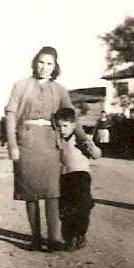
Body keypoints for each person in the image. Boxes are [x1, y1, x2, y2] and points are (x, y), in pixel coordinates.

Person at [4, 46, 87, 252]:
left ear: (55, 66)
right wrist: (12, 144)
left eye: (49, 63)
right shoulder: (20, 85)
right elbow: (11, 115)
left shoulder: (60, 90)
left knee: (52, 192)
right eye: (41, 62)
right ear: (35, 63)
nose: (44, 67)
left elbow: (72, 118)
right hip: (26, 142)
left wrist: (86, 142)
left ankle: (53, 240)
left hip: (51, 142)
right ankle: (35, 238)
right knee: (30, 192)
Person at [54, 107, 101, 252]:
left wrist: (91, 148)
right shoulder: (57, 139)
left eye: (65, 126)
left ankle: (80, 234)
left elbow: (97, 154)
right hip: (64, 177)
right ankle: (69, 237)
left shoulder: (80, 139)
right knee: (65, 207)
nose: (62, 130)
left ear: (74, 125)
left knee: (82, 205)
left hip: (81, 175)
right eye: (59, 126)